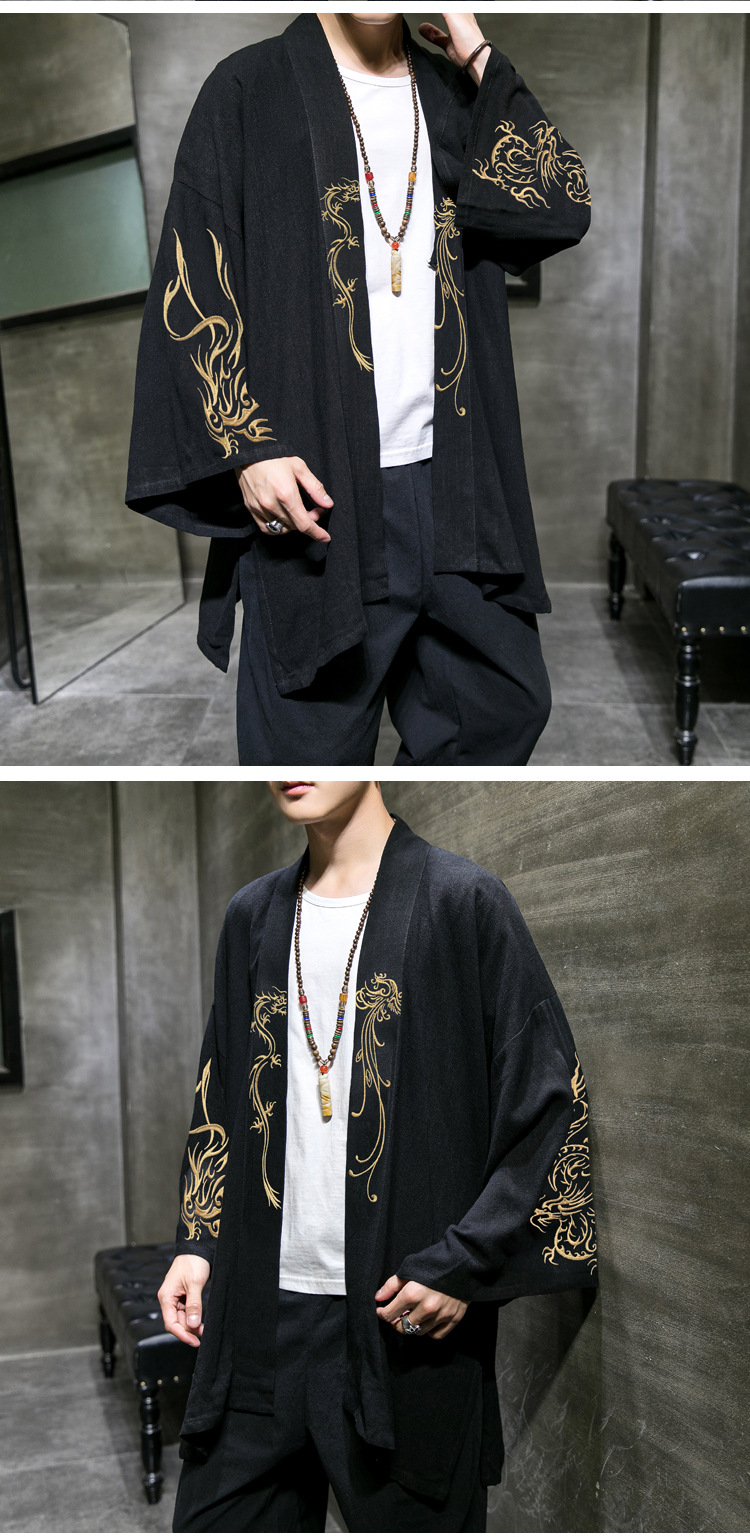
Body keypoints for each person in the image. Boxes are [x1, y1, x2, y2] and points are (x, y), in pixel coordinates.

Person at [126, 13, 591, 766]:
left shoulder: (453, 95)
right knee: (308, 749)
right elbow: (196, 282)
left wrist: (473, 48)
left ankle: (402, 832)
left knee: (500, 709)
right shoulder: (248, 89)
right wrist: (247, 448)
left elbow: (558, 205)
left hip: (455, 490)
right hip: (322, 497)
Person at [158, 781, 598, 1532]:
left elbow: (550, 1100)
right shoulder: (253, 915)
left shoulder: (461, 901)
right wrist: (198, 1241)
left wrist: (467, 1260)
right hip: (255, 1320)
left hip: (399, 1328)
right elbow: (221, 1089)